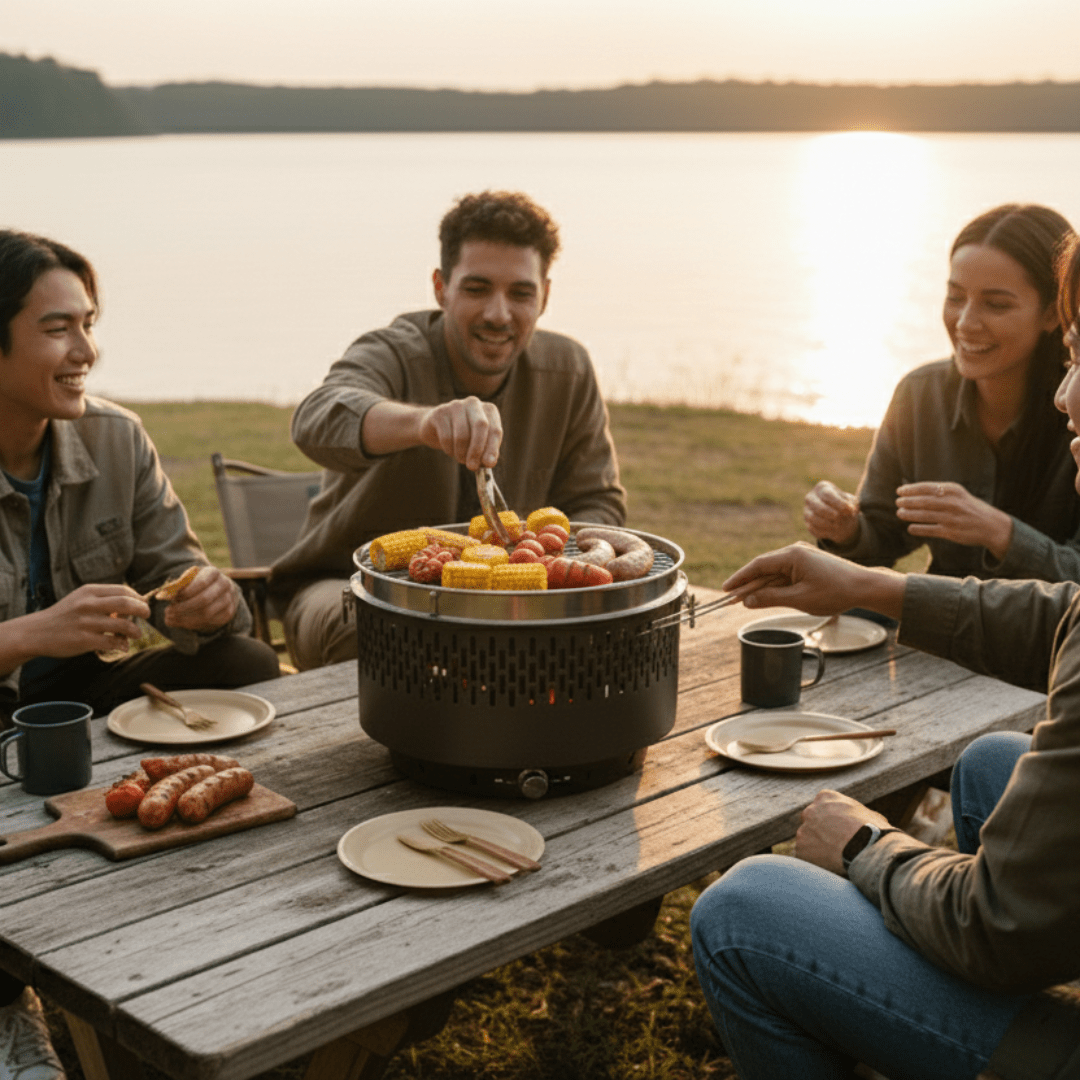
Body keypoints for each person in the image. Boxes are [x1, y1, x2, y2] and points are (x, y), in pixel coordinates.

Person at [689, 233, 1080, 1080]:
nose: (1068, 395)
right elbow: (1061, 613)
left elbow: (994, 926)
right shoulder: (921, 396)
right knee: (989, 766)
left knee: (747, 905)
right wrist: (867, 579)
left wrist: (868, 847)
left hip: (1007, 950)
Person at [0, 229, 281, 1079]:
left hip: (91, 696)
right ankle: (10, 1008)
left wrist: (208, 599)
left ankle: (214, 900)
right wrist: (27, 634)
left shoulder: (116, 440)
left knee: (247, 665)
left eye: (90, 323)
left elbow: (184, 575)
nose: (86, 350)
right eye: (58, 329)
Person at [271, 190, 627, 670]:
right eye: (477, 288)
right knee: (388, 631)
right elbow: (317, 418)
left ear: (545, 295)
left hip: (508, 603)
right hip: (349, 585)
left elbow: (598, 503)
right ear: (441, 287)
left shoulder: (570, 368)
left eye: (520, 292)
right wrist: (424, 422)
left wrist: (548, 558)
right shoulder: (394, 350)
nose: (498, 314)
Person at [804, 203, 1080, 583]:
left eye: (996, 304)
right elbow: (882, 537)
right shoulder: (919, 395)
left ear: (1052, 314)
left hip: (1054, 638)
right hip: (941, 623)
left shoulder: (1075, 413)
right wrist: (845, 529)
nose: (965, 323)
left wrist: (1000, 533)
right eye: (955, 297)